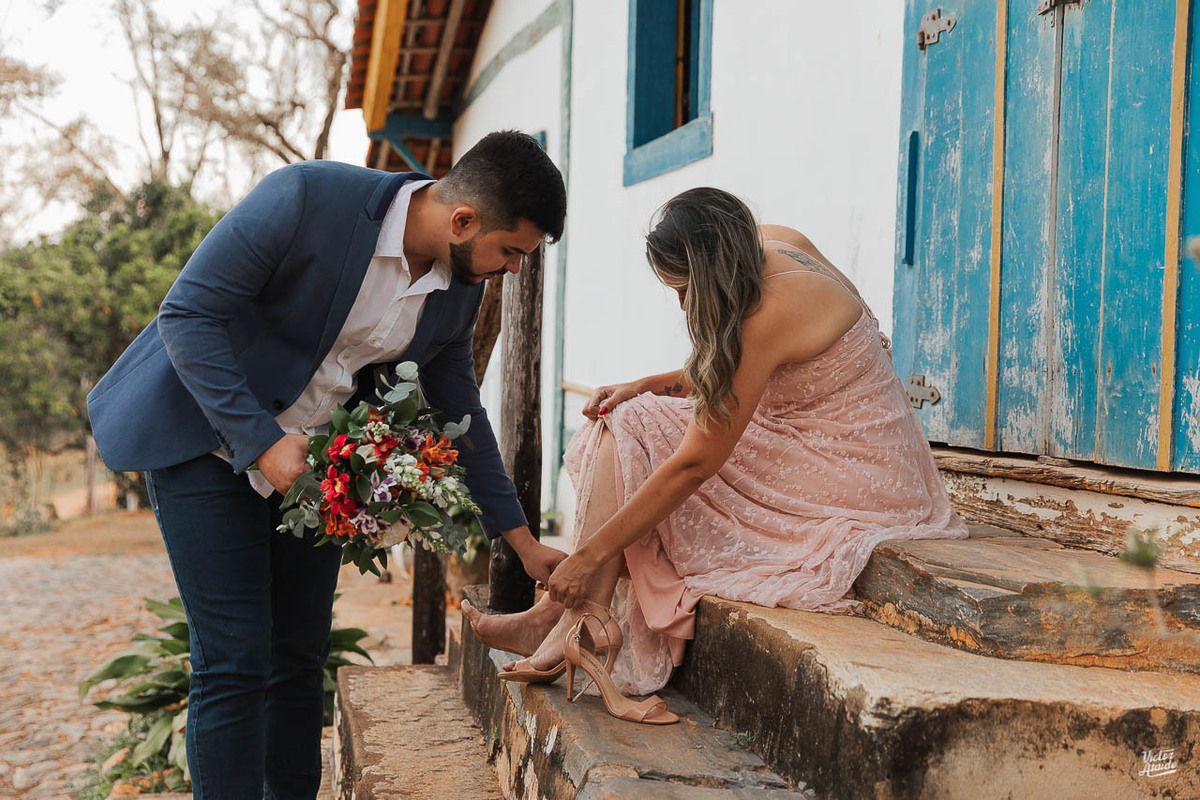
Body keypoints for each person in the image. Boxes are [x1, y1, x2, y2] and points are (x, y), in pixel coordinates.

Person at [86, 130, 568, 798]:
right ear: (463, 220)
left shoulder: (459, 285)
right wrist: (260, 440)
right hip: (206, 439)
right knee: (233, 659)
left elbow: (462, 410)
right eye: (511, 252)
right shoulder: (304, 198)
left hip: (319, 471)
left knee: (298, 658)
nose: (514, 270)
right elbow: (188, 314)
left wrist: (521, 541)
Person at [463, 187, 968, 724]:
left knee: (640, 431)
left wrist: (585, 558)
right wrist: (651, 382)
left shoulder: (768, 312)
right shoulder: (774, 243)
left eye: (682, 289)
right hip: (818, 438)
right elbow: (766, 368)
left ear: (708, 273)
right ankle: (562, 619)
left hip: (853, 470)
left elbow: (695, 465)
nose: (681, 305)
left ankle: (573, 618)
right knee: (627, 418)